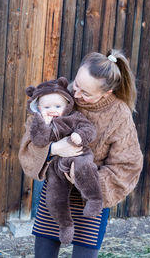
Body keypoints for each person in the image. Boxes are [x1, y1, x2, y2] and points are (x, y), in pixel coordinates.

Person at [18, 49, 144, 258]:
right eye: (76, 84)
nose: (75, 95)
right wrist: (54, 149)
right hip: (56, 193)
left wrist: (86, 179)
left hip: (90, 200)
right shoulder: (60, 95)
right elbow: (29, 141)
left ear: (107, 93)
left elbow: (128, 166)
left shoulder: (119, 115)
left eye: (86, 93)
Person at [25, 77, 102, 244]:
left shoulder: (74, 117)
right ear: (38, 107)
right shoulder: (39, 122)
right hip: (56, 167)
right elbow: (39, 142)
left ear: (66, 105)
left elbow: (89, 129)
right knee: (54, 197)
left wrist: (79, 135)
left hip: (78, 156)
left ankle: (94, 199)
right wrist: (43, 124)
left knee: (85, 170)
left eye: (57, 106)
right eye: (47, 107)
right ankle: (64, 225)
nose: (52, 110)